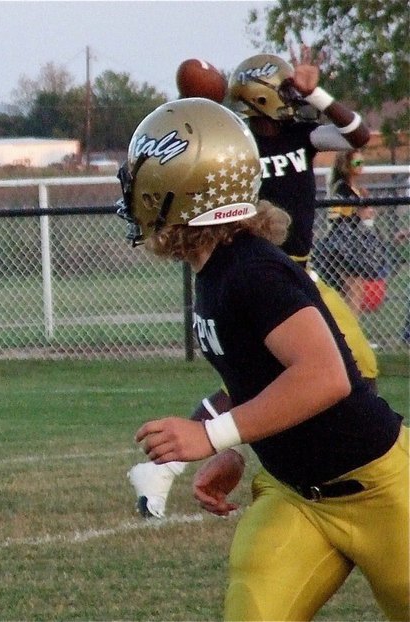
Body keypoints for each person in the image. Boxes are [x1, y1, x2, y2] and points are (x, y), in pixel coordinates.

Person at [118, 98, 408, 621]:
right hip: (296, 495)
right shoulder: (217, 266)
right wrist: (235, 445)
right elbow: (258, 376)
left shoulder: (251, 270)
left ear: (187, 185)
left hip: (378, 488)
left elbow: (324, 377)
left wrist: (212, 435)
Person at [127, 45, 380, 519]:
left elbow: (358, 135)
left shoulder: (302, 134)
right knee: (342, 369)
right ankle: (316, 474)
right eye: (286, 89)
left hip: (292, 272)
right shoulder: (237, 143)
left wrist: (317, 94)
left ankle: (182, 463)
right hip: (254, 269)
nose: (293, 97)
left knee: (306, 373)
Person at [315, 151, 389, 316]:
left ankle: (348, 324)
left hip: (354, 243)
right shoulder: (342, 188)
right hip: (343, 246)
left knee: (356, 288)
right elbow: (336, 219)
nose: (361, 167)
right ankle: (348, 327)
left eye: (362, 163)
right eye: (357, 163)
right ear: (346, 166)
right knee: (353, 289)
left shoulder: (355, 189)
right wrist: (359, 213)